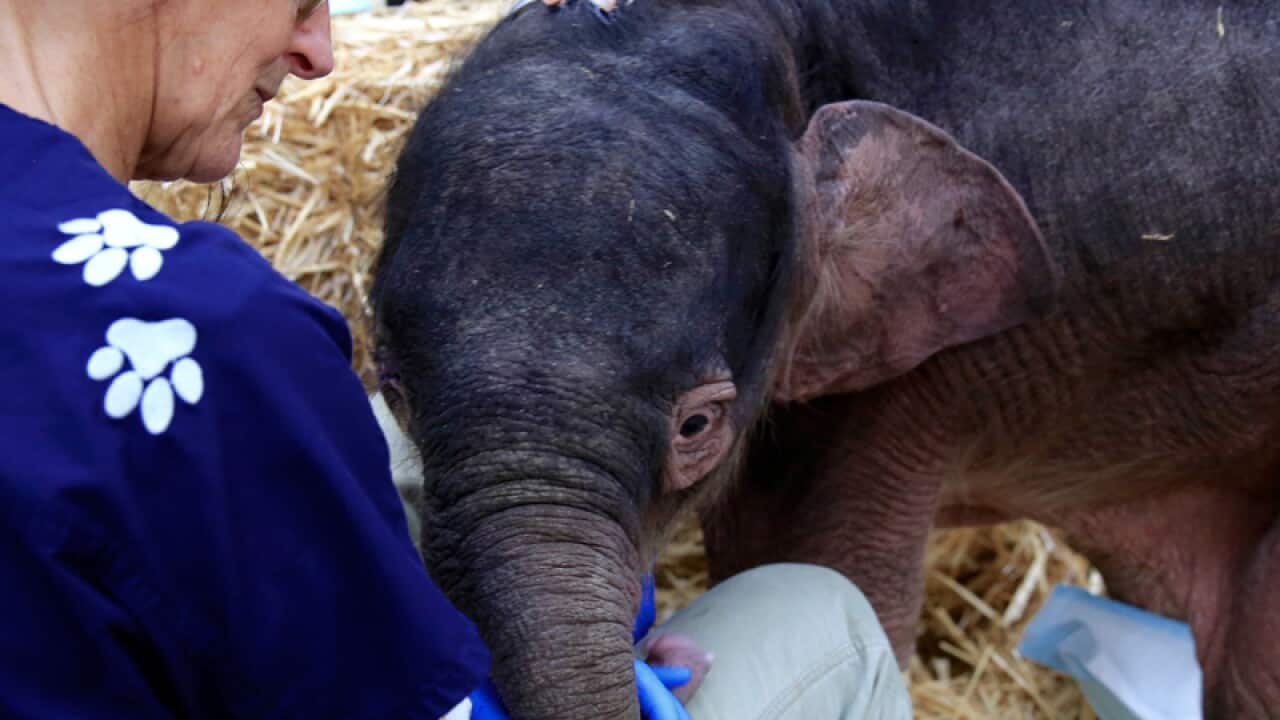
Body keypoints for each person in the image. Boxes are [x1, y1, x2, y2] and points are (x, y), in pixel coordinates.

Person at [0, 0, 911, 716]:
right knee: (820, 618)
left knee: (386, 447)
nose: (321, 50)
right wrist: (582, 671)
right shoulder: (204, 336)